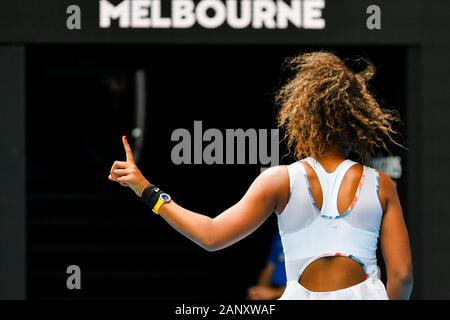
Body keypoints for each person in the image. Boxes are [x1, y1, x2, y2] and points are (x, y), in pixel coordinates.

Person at [108, 51, 413, 300]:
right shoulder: (380, 185)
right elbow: (401, 277)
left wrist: (147, 191)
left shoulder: (280, 180)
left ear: (303, 119)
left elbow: (212, 236)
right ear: (357, 119)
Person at [247, 232, 286, 300]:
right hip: (273, 288)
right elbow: (269, 269)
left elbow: (308, 285)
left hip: (293, 292)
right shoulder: (280, 233)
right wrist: (260, 291)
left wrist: (275, 293)